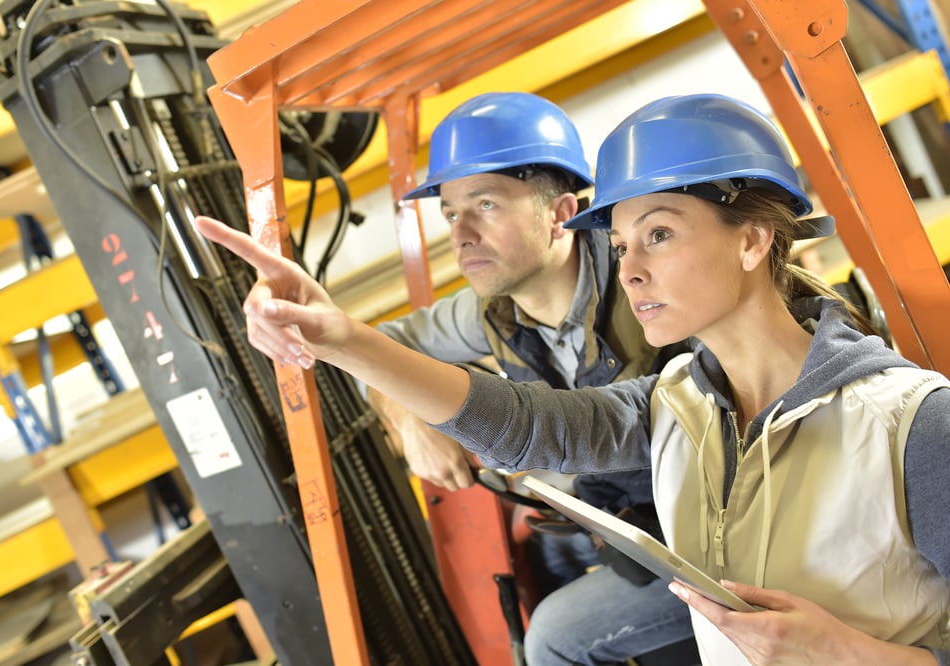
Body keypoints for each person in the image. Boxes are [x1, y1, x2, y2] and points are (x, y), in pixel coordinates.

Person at [196, 92, 950, 665]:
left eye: (659, 232)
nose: (632, 266)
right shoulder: (674, 405)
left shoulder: (913, 423)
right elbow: (530, 426)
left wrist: (852, 653)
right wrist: (346, 341)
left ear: (753, 240)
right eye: (621, 243)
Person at [369, 91, 696, 664]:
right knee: (541, 560)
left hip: (716, 531)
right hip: (634, 528)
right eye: (450, 213)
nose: (461, 233)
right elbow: (380, 347)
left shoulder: (642, 281)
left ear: (562, 213)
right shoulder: (490, 310)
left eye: (486, 204)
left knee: (551, 639)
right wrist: (410, 414)